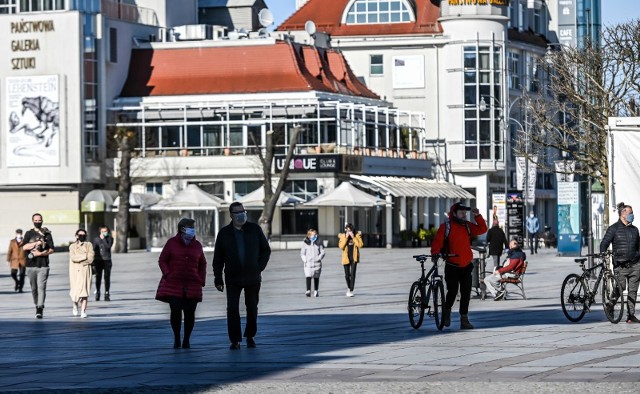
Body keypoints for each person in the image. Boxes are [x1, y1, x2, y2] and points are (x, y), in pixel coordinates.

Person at [213, 202, 271, 350]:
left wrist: (259, 268)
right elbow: (218, 258)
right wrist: (218, 278)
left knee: (252, 307)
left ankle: (250, 336)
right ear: (231, 215)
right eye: (237, 212)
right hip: (233, 278)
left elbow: (266, 250)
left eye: (243, 211)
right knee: (232, 309)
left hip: (253, 277)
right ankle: (235, 339)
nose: (241, 214)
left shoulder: (254, 229)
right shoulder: (224, 233)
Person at [431, 202, 487, 330]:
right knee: (452, 291)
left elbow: (482, 229)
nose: (464, 215)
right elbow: (437, 242)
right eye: (461, 212)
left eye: (465, 213)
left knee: (466, 292)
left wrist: (477, 216)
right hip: (452, 264)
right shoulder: (446, 227)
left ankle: (464, 319)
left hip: (466, 264)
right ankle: (447, 311)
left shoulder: (467, 226)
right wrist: (435, 253)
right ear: (454, 213)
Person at [156, 218, 207, 348]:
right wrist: (168, 274)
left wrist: (201, 279)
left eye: (193, 227)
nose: (192, 230)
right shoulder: (171, 243)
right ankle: (177, 337)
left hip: (193, 284)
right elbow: (162, 260)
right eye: (189, 227)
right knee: (176, 311)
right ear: (182, 229)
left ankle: (186, 339)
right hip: (174, 284)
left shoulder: (197, 245)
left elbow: (203, 263)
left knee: (190, 314)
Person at [600, 202, 640, 324]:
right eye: (630, 213)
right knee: (620, 288)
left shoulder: (635, 230)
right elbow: (604, 243)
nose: (632, 215)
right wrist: (603, 253)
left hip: (635, 265)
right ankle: (610, 305)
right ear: (623, 214)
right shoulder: (613, 229)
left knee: (633, 291)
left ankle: (630, 315)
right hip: (620, 266)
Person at [22, 213, 55, 319]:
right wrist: (37, 243)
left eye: (39, 220)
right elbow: (24, 247)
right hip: (30, 265)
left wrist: (40, 254)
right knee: (34, 289)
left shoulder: (47, 234)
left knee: (41, 288)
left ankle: (39, 308)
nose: (37, 222)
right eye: (35, 220)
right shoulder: (28, 233)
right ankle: (37, 304)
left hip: (43, 265)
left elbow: (51, 249)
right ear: (32, 221)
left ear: (42, 220)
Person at [69, 229, 94, 318]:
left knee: (85, 291)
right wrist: (84, 256)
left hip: (86, 270)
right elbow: (73, 257)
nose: (82, 236)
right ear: (76, 236)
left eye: (84, 234)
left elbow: (91, 258)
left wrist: (81, 260)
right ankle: (75, 305)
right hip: (75, 271)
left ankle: (83, 311)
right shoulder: (72, 246)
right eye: (80, 234)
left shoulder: (89, 245)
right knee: (75, 291)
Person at [338, 223, 363, 297]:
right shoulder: (343, 236)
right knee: (347, 275)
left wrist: (353, 237)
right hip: (346, 258)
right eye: (347, 230)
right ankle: (349, 287)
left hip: (354, 258)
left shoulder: (357, 235)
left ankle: (351, 290)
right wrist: (346, 237)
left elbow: (360, 245)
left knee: (353, 274)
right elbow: (341, 246)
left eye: (350, 230)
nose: (349, 232)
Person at [300, 228, 325, 297]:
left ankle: (316, 290)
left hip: (317, 263)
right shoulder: (305, 243)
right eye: (313, 234)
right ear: (309, 235)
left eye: (315, 234)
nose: (315, 236)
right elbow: (302, 253)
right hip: (308, 263)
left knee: (316, 277)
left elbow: (322, 252)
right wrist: (305, 260)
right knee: (308, 276)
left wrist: (319, 258)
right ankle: (308, 290)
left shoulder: (319, 242)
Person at [93, 225, 114, 301]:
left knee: (107, 277)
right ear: (100, 232)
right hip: (98, 260)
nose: (104, 233)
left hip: (107, 260)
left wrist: (104, 239)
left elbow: (108, 247)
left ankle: (107, 293)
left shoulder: (110, 238)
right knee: (98, 277)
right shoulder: (96, 239)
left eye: (105, 231)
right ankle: (98, 292)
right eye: (102, 231)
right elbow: (94, 249)